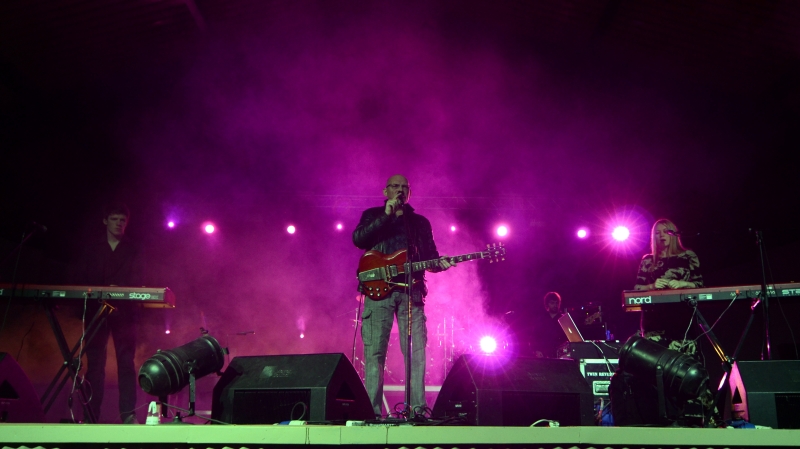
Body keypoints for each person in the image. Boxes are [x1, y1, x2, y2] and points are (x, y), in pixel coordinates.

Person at [352, 175, 455, 419]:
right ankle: (373, 414)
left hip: (412, 291)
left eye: (405, 187)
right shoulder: (372, 214)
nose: (400, 190)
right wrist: (386, 216)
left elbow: (431, 256)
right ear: (385, 191)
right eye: (395, 186)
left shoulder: (419, 222)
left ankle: (418, 411)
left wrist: (441, 264)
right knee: (375, 352)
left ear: (410, 193)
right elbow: (359, 240)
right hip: (379, 292)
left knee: (416, 351)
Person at [71, 203, 145, 423]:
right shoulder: (92, 249)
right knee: (95, 365)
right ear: (105, 221)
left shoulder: (134, 250)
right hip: (96, 311)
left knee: (126, 363)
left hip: (125, 313)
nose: (119, 223)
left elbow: (139, 278)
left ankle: (128, 415)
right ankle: (91, 415)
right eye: (114, 219)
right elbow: (82, 277)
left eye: (122, 220)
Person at [634, 218, 703, 339]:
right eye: (657, 232)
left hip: (682, 316)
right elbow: (637, 288)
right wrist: (652, 286)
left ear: (673, 234)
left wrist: (682, 284)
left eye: (666, 231)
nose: (661, 235)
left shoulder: (688, 256)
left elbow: (699, 285)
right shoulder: (648, 260)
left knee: (682, 355)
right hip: (653, 318)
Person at [530, 292, 567, 358]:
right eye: (552, 303)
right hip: (543, 356)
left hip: (560, 356)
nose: (555, 305)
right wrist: (536, 350)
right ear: (547, 304)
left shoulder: (564, 319)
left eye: (557, 303)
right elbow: (534, 337)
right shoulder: (541, 319)